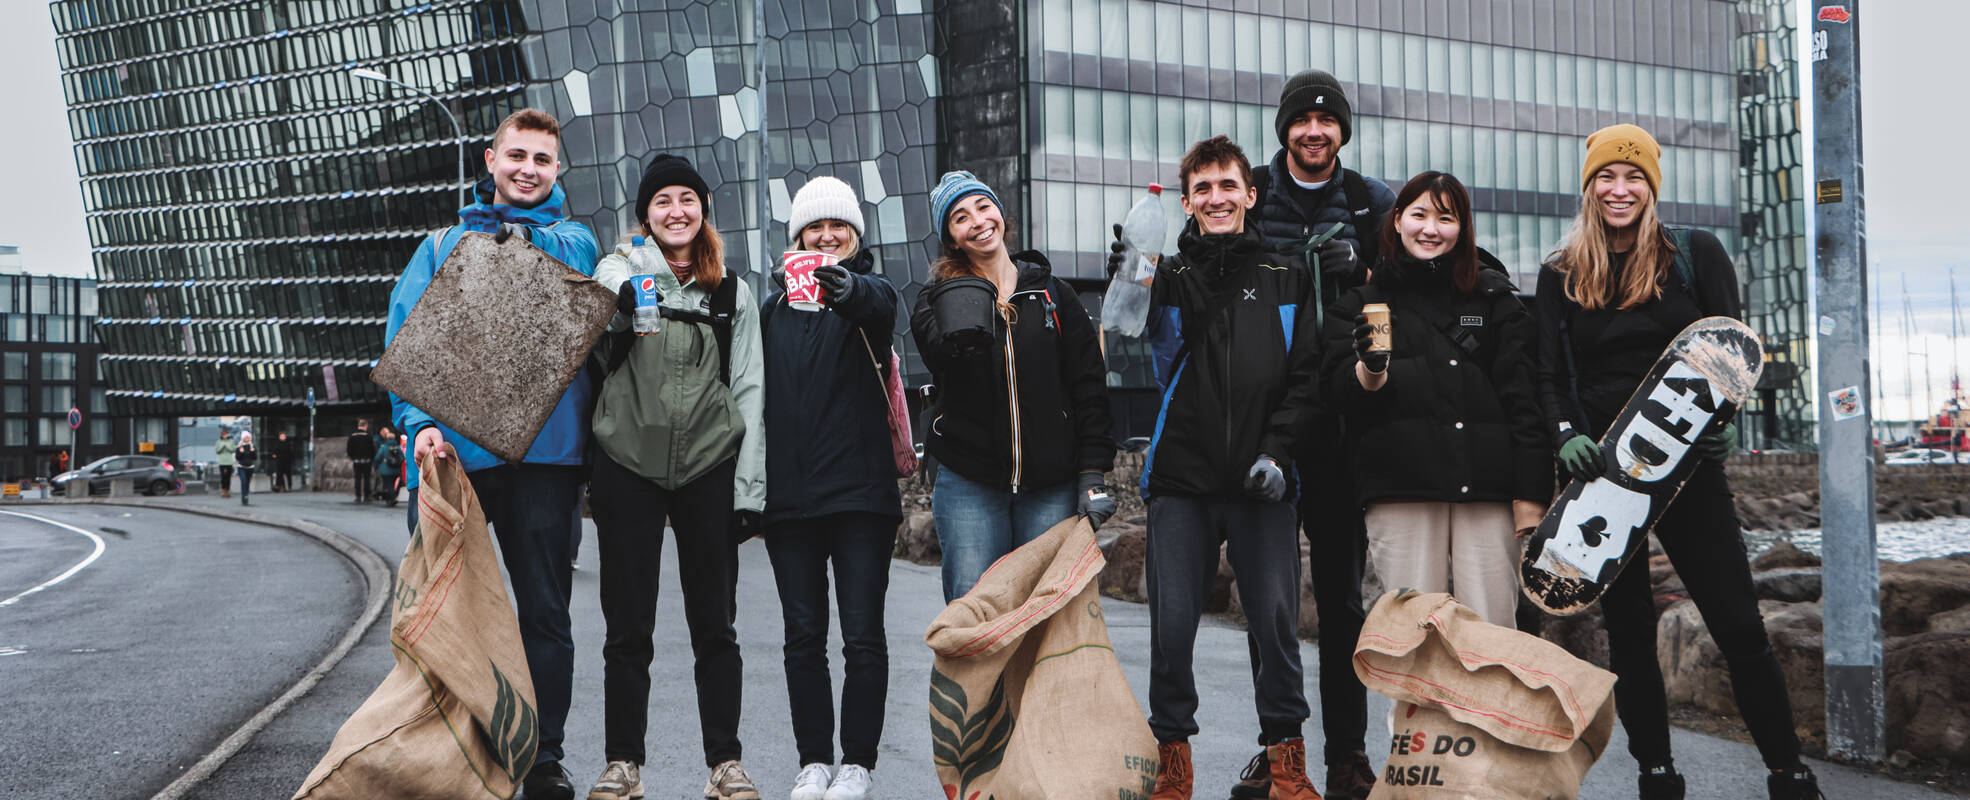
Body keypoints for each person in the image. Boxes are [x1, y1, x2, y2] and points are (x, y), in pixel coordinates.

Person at [1535, 124, 1820, 800]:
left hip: (1688, 471)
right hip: (1603, 478)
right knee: (1630, 634)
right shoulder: (1561, 272)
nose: (1620, 189)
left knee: (1739, 624)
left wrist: (1726, 425)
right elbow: (1545, 374)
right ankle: (1657, 774)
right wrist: (1565, 434)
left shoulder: (1693, 254)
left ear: (1652, 187)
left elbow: (1735, 353)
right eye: (1607, 177)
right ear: (1589, 187)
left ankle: (1789, 772)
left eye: (1633, 177)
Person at [385, 107, 599, 800]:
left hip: (546, 459)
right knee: (445, 615)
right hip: (455, 459)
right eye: (517, 156)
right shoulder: (441, 245)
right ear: (490, 160)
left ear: (558, 170)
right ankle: (449, 754)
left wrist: (512, 241)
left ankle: (543, 759)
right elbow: (408, 337)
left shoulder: (575, 241)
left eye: (542, 160)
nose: (528, 169)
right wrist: (419, 424)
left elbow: (575, 272)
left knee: (544, 614)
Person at [1139, 136, 1324, 800]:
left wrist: (1277, 452)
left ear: (1250, 194)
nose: (1216, 197)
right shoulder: (1166, 274)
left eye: (1227, 185)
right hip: (1181, 479)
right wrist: (1133, 287)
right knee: (1171, 628)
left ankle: (1287, 767)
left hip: (1261, 479)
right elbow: (1158, 361)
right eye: (1203, 188)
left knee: (1275, 624)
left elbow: (1306, 377)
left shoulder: (1287, 274)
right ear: (1186, 201)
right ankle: (1173, 765)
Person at [584, 154, 766, 800]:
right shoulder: (624, 271)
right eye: (661, 202)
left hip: (707, 465)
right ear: (646, 216)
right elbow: (604, 291)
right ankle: (622, 764)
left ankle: (726, 764)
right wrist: (630, 279)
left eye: (686, 199)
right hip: (628, 462)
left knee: (715, 626)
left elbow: (749, 390)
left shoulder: (731, 292)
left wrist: (748, 490)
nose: (676, 211)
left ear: (703, 208)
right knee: (628, 627)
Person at [1321, 171, 1550, 628]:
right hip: (1400, 488)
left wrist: (1532, 492)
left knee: (1489, 635)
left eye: (1446, 218)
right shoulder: (1360, 303)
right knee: (1412, 635)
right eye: (1419, 214)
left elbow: (1525, 398)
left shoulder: (1496, 301)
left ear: (1462, 228)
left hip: (1487, 490)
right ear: (1397, 220)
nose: (1430, 228)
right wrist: (1371, 370)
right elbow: (1334, 394)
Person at [909, 170, 1115, 603]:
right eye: (960, 217)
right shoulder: (936, 299)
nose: (978, 221)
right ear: (951, 239)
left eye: (983, 206)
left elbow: (1089, 388)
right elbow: (936, 354)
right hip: (969, 484)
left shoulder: (1054, 294)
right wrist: (965, 311)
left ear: (1000, 213)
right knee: (975, 615)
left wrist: (1092, 473)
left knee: (1043, 618)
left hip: (1051, 486)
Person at [758, 177, 900, 800]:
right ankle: (814, 760)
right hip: (790, 502)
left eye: (837, 226)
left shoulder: (871, 296)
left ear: (854, 235)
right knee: (802, 638)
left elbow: (877, 302)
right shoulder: (772, 311)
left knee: (863, 636)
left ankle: (858, 763)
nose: (825, 236)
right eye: (812, 228)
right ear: (796, 238)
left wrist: (846, 289)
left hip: (861, 497)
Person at [373, 426, 405, 507]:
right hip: (397, 470)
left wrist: (376, 466)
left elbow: (378, 458)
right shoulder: (398, 447)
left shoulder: (384, 447)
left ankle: (391, 498)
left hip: (386, 470)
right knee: (396, 484)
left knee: (388, 484)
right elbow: (402, 457)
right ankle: (393, 497)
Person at [346, 419, 375, 504]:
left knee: (357, 479)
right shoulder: (368, 436)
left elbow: (349, 449)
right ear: (365, 426)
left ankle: (358, 496)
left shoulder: (352, 436)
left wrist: (352, 457)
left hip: (356, 461)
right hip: (367, 461)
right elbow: (372, 449)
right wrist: (371, 457)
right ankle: (367, 496)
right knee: (367, 479)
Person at [234, 432, 258, 506]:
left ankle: (246, 495)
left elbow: (255, 458)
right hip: (241, 467)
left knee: (247, 482)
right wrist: (241, 452)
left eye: (248, 437)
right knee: (243, 481)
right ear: (243, 438)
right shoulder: (239, 446)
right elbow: (237, 457)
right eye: (245, 437)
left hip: (250, 467)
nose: (247, 439)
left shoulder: (252, 446)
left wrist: (253, 451)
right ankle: (244, 496)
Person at [213, 428, 236, 498]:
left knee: (228, 477)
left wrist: (228, 448)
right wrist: (222, 448)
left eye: (226, 434)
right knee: (223, 477)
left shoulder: (231, 441)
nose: (225, 436)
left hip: (229, 461)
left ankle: (228, 490)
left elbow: (233, 450)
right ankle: (223, 490)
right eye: (223, 434)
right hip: (222, 461)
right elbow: (216, 451)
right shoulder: (218, 442)